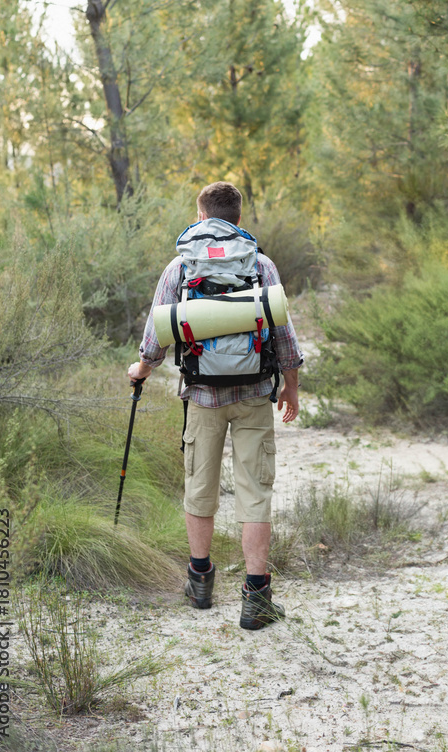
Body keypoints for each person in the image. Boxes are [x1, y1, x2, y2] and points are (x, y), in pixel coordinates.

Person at [128, 181, 303, 630]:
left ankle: (200, 583)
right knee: (254, 492)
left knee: (200, 487)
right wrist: (291, 386)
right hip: (252, 395)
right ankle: (257, 598)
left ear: (201, 216)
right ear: (239, 218)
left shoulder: (181, 266)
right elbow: (283, 335)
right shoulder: (260, 264)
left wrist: (142, 371)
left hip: (202, 397)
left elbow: (157, 334)